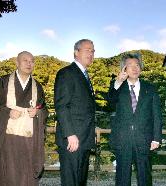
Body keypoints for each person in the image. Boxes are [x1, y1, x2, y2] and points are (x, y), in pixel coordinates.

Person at [0, 51, 48, 186]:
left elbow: (44, 109)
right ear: (17, 63)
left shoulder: (38, 87)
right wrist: (7, 112)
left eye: (32, 61)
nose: (29, 64)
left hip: (30, 140)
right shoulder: (4, 82)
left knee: (28, 175)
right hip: (6, 139)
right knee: (7, 174)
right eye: (25, 60)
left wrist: (38, 112)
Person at [107, 53, 162, 186]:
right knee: (122, 178)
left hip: (144, 139)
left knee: (145, 177)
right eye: (130, 65)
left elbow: (156, 115)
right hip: (122, 139)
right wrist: (118, 82)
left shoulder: (150, 88)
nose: (134, 68)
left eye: (137, 65)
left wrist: (156, 138)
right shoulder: (117, 87)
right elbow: (110, 103)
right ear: (124, 69)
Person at [54, 39, 96, 186]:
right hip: (72, 140)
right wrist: (70, 134)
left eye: (93, 51)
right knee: (71, 180)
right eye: (87, 50)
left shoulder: (84, 75)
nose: (91, 54)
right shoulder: (66, 73)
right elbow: (62, 106)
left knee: (80, 180)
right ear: (76, 52)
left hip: (84, 138)